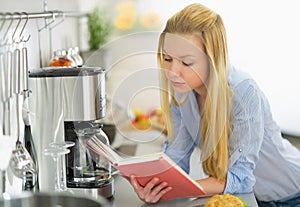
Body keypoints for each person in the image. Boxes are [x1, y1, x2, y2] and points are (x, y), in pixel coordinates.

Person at [129, 3, 300, 206]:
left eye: (186, 62)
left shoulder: (243, 91)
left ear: (212, 59)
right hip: (251, 199)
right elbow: (176, 158)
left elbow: (241, 178)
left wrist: (183, 186)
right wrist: (156, 185)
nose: (173, 71)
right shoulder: (182, 92)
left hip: (291, 194)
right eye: (167, 58)